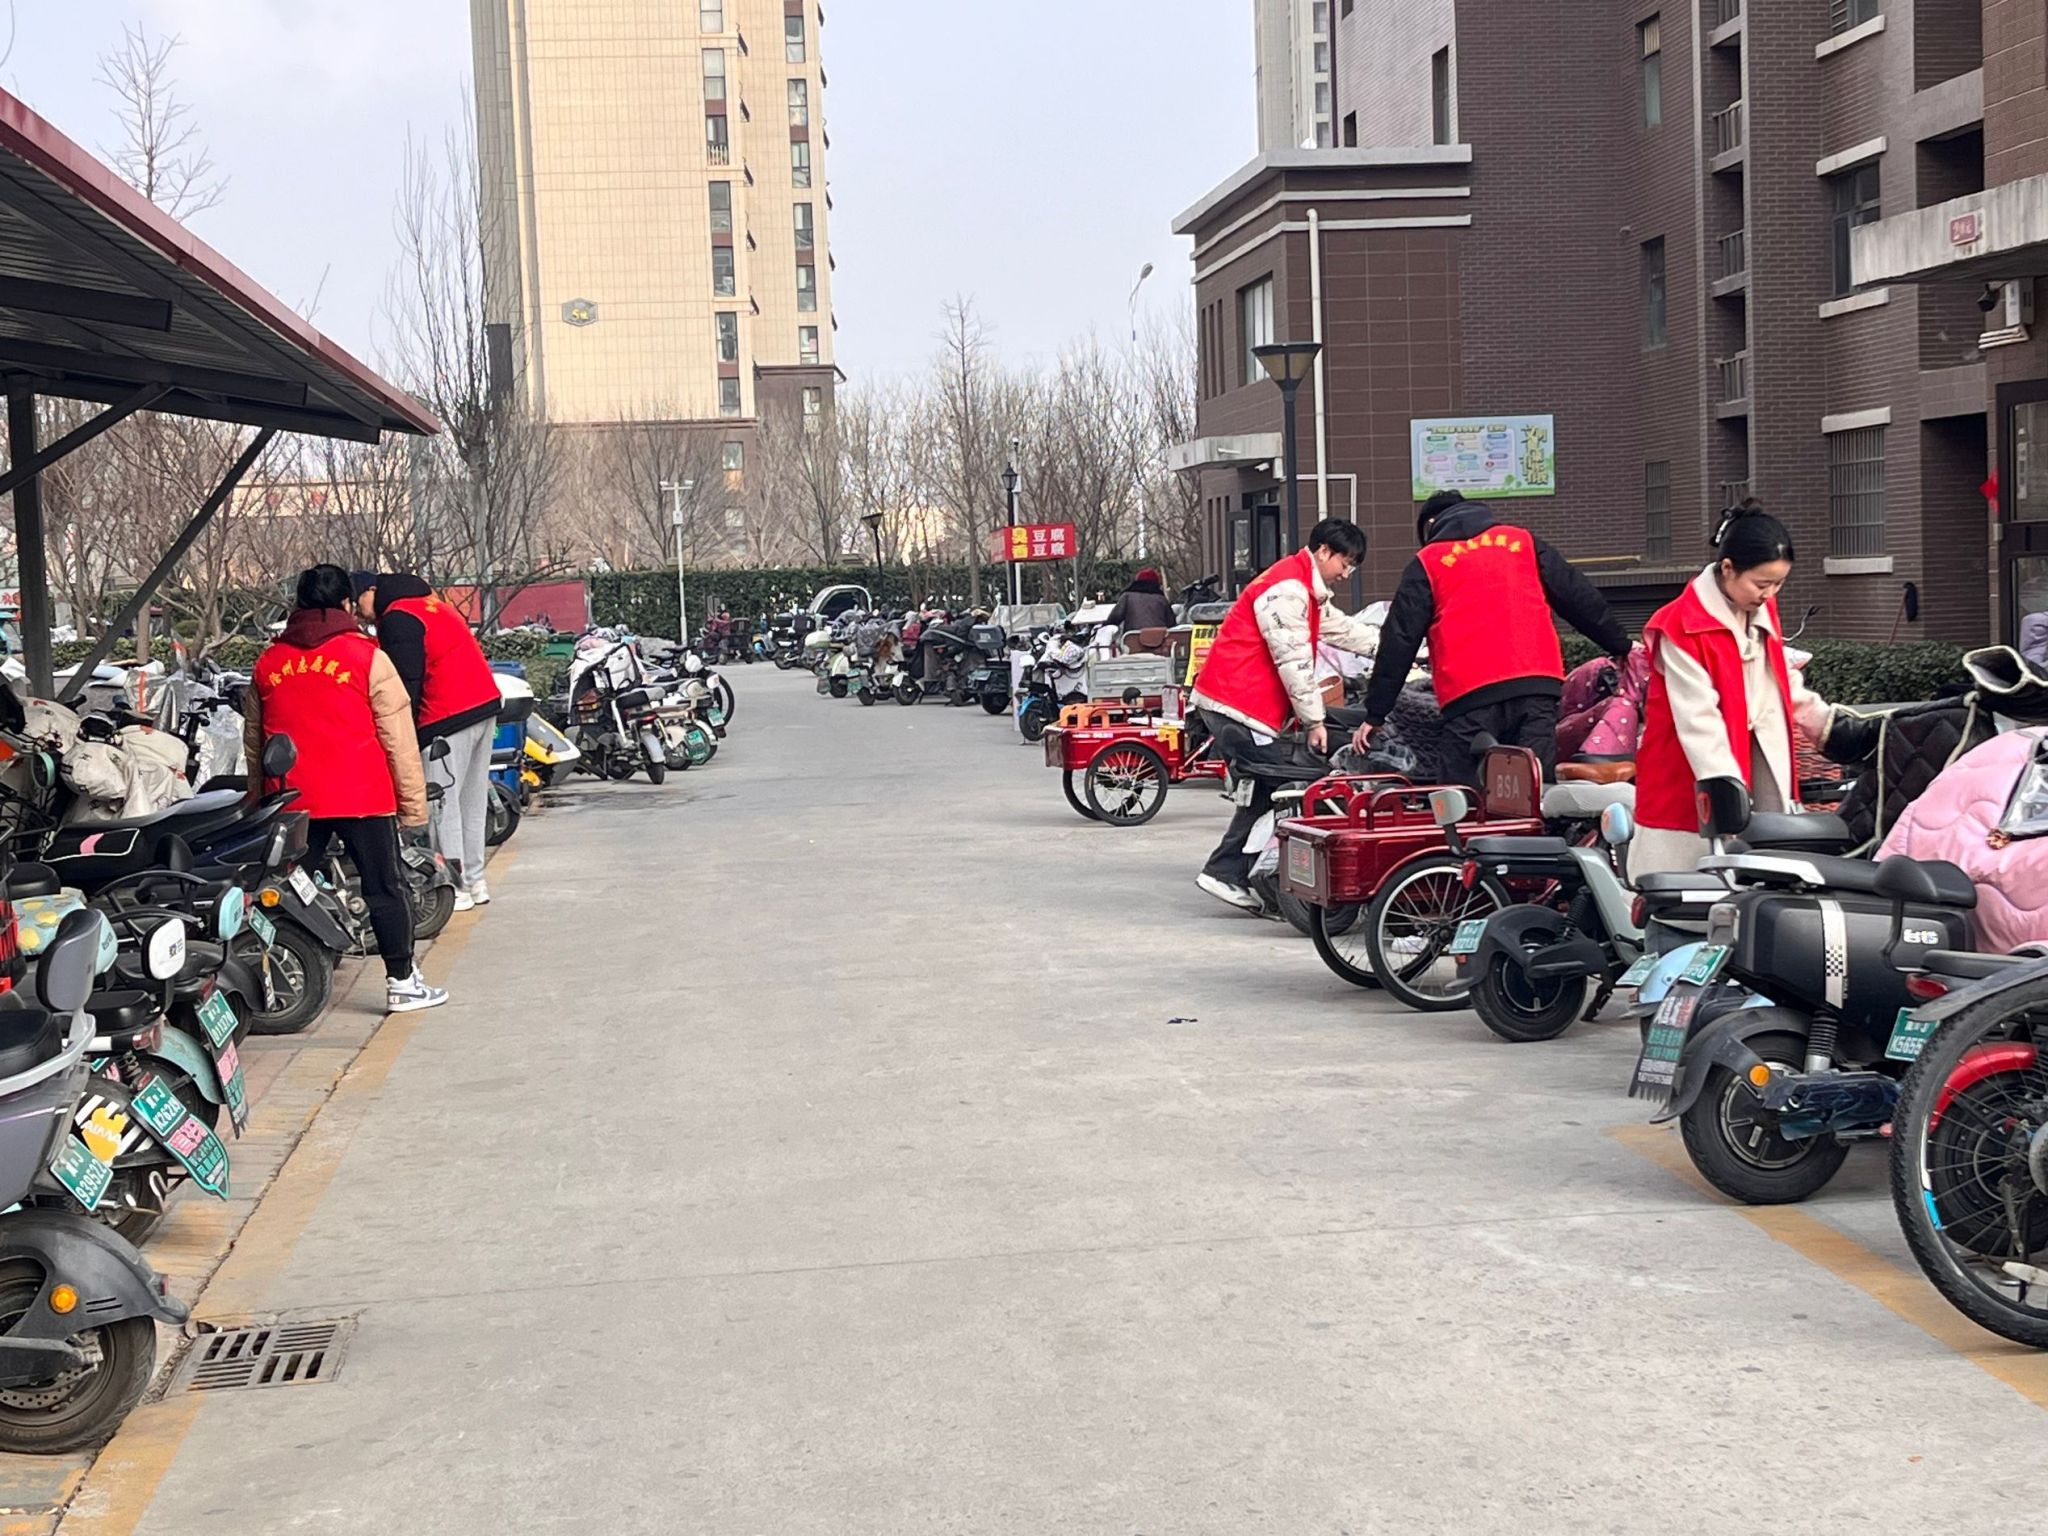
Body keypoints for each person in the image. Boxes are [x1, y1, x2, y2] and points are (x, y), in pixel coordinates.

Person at [246, 566, 446, 1013]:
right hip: (362, 795)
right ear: (346, 605)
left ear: (297, 604)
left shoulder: (269, 662)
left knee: (283, 893)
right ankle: (401, 982)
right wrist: (412, 807)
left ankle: (275, 982)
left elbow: (255, 742)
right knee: (384, 888)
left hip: (293, 799)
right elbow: (398, 739)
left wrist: (258, 799)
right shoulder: (368, 657)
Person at [1629, 504, 1862, 878]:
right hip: (1685, 777)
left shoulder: (1758, 609)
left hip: (1749, 766)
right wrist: (1726, 789)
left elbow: (1778, 681)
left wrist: (1827, 724)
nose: (1769, 594)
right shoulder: (1680, 624)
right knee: (1683, 887)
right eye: (1761, 583)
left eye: (1778, 584)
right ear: (1727, 569)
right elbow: (1698, 719)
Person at [1357, 489, 1631, 786]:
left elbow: (1399, 640)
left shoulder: (1429, 561)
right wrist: (1620, 645)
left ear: (1431, 524)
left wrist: (1376, 714)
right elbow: (1578, 598)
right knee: (1534, 790)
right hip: (1535, 686)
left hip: (1469, 695)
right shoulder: (1521, 542)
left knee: (1460, 795)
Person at [1189, 518, 1378, 912]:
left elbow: (1343, 631)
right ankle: (1255, 872)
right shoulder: (1288, 591)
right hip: (1239, 704)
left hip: (1233, 704)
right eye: (1345, 563)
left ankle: (1226, 872)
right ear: (1324, 551)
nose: (1346, 574)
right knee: (1303, 778)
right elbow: (1294, 663)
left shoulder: (1302, 587)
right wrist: (1314, 722)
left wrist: (1400, 647)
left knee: (1264, 788)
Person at [352, 572, 503, 912]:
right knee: (471, 801)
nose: (359, 614)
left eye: (358, 602)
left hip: (447, 716)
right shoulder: (432, 604)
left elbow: (406, 682)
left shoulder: (398, 617)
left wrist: (401, 734)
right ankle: (475, 880)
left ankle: (455, 884)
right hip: (482, 705)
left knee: (442, 805)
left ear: (372, 590)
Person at [1106, 568, 1175, 651]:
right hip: (1160, 644)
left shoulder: (1127, 596)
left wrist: (1105, 626)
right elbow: (1171, 623)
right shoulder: (1162, 599)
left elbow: (1115, 618)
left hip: (1133, 641)